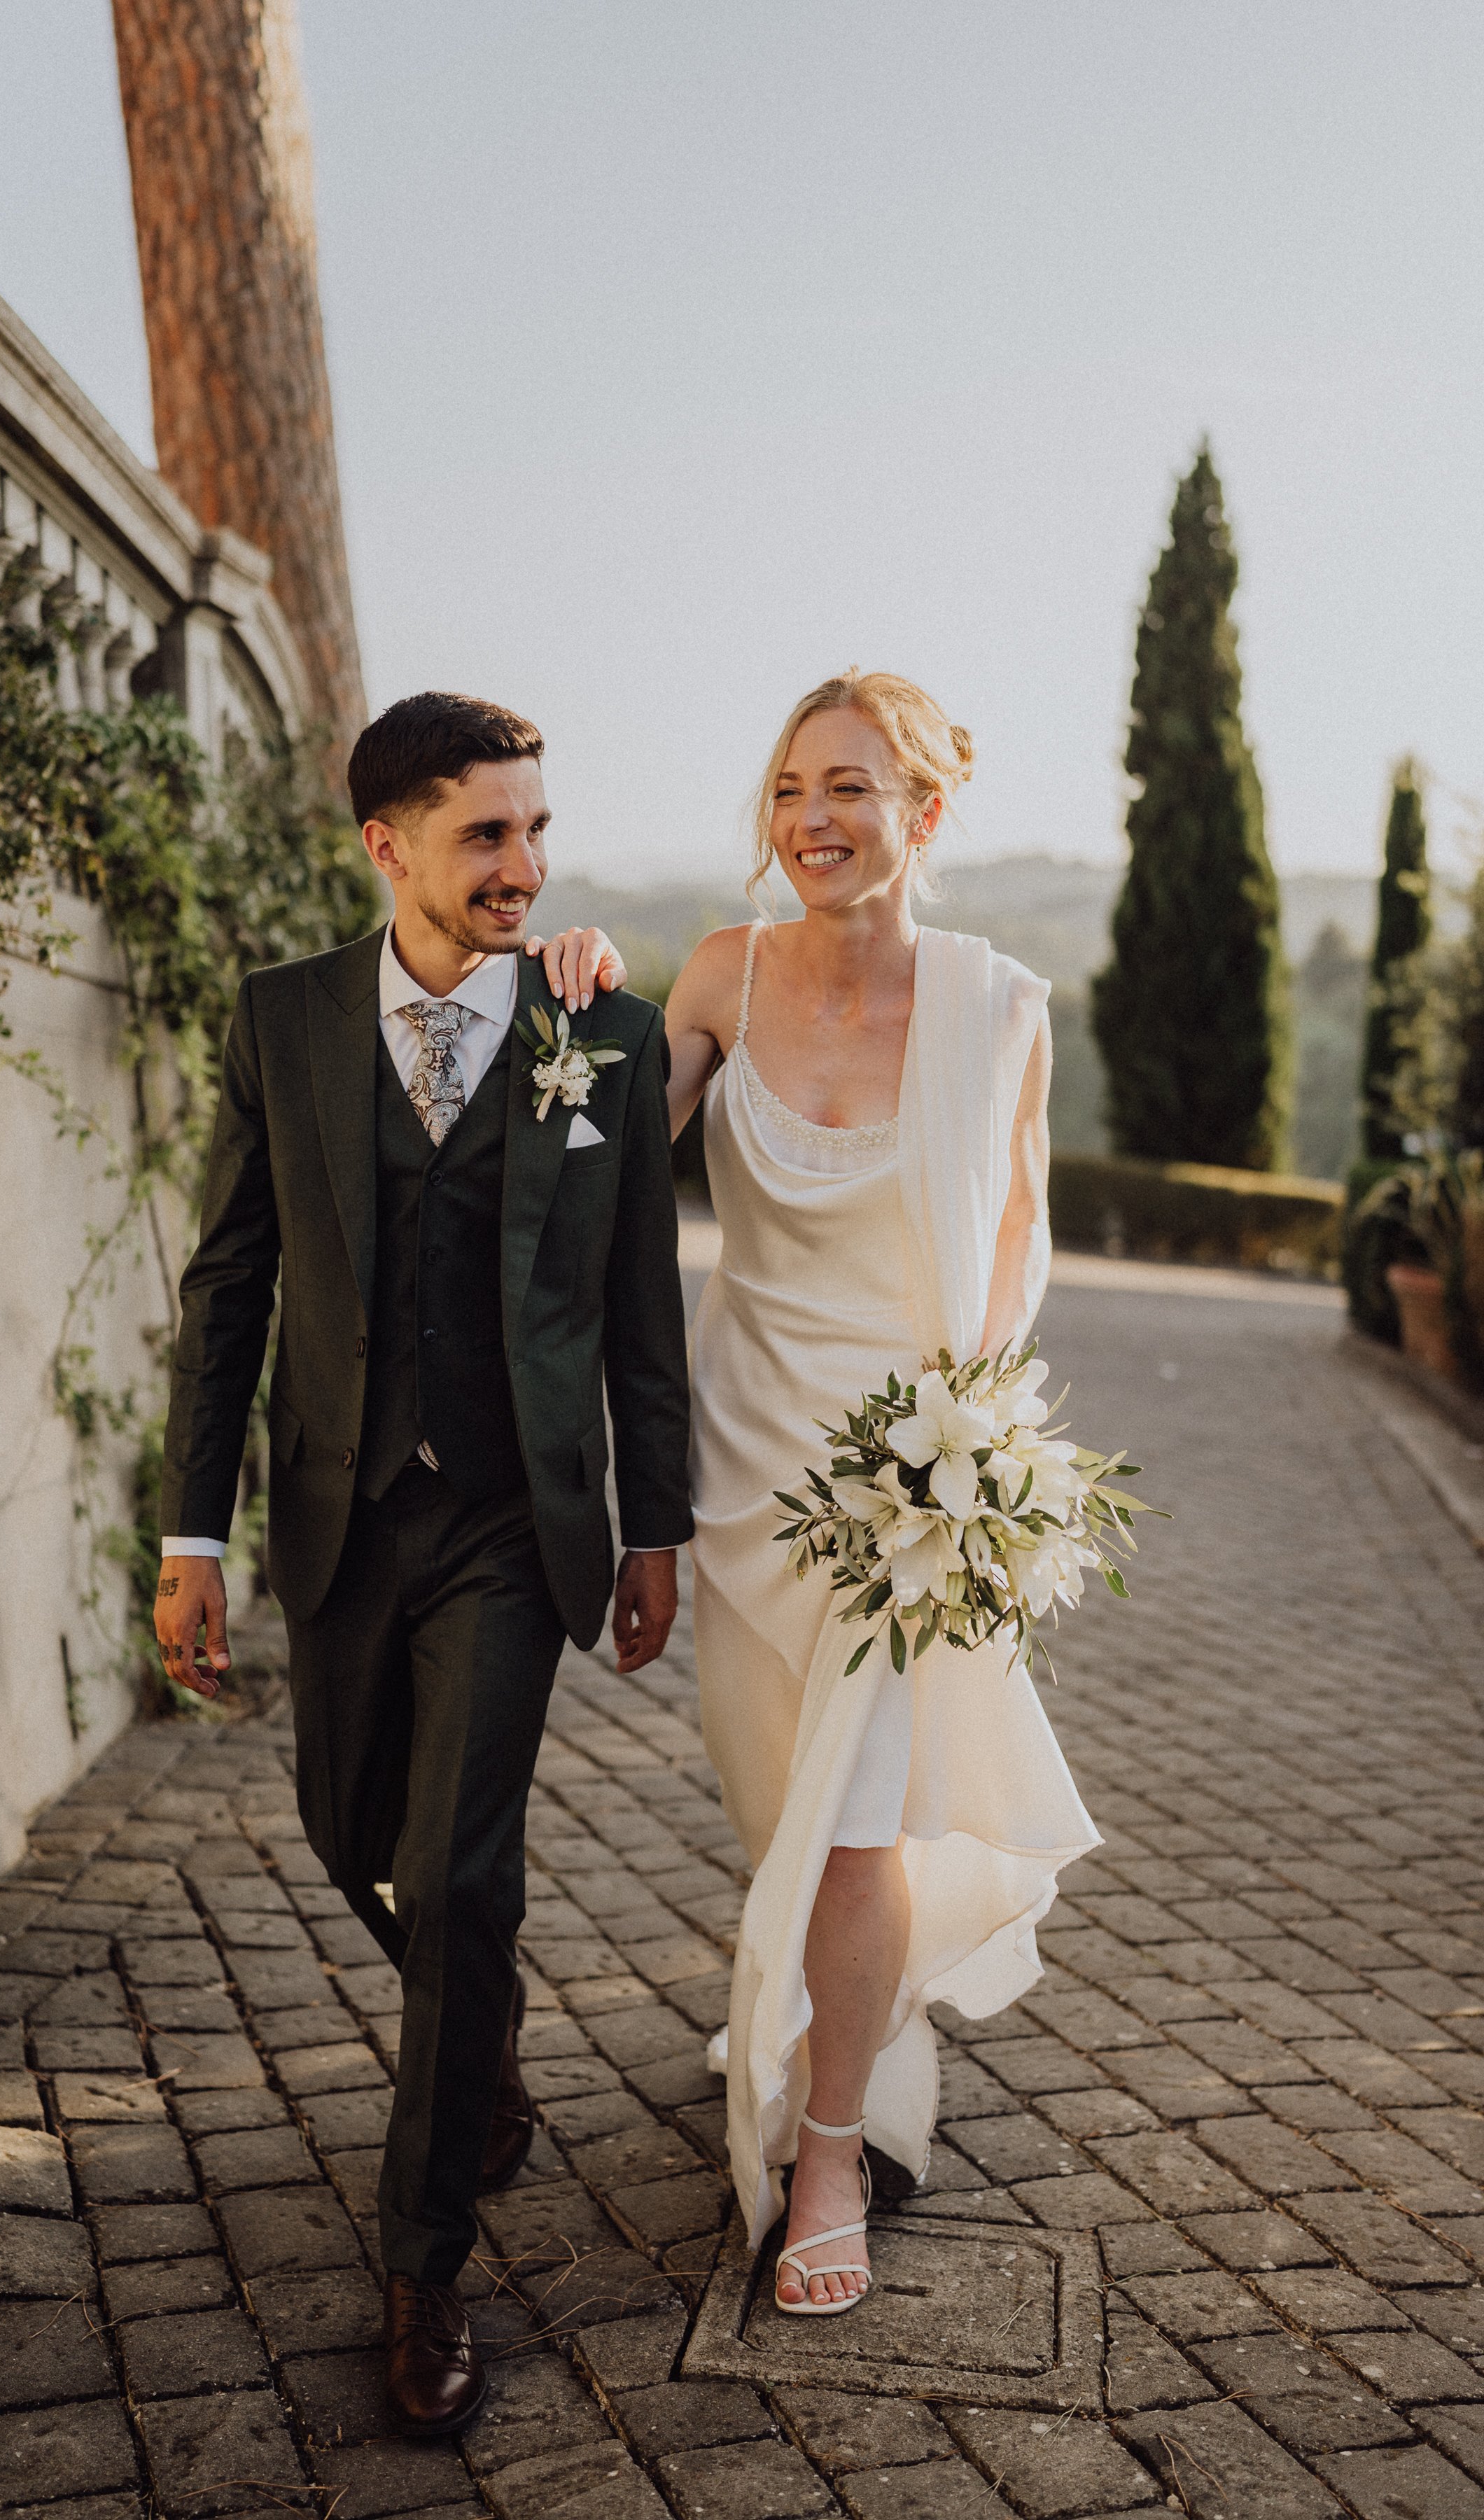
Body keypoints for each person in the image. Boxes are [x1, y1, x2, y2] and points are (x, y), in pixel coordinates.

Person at [155, 691, 692, 2433]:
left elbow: (637, 1310)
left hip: (514, 1527)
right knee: (345, 1833)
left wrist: (656, 1521)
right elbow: (233, 1281)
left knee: (461, 1882)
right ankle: (485, 2058)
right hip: (340, 1508)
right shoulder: (287, 1021)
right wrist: (192, 1530)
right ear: (386, 843)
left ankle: (424, 2270)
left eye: (539, 831)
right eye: (487, 834)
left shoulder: (599, 1039)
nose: (524, 866)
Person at [532, 669, 1098, 2315]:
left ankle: (833, 2149)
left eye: (848, 788)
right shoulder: (723, 970)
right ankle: (836, 2013)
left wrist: (978, 1437)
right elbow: (615, 1153)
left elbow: (1019, 1229)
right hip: (746, 1463)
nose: (811, 823)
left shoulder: (1003, 1006)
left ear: (922, 812)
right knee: (784, 1809)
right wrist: (584, 1007)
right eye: (789, 791)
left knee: (859, 1828)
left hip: (910, 1496)